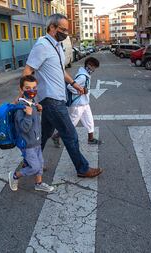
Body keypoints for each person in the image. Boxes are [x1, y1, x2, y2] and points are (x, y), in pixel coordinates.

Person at [22, 13, 103, 178]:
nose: (65, 33)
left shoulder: (57, 46)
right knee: (70, 135)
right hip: (51, 99)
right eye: (62, 29)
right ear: (51, 27)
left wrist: (74, 84)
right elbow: (28, 71)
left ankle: (30, 163)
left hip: (57, 98)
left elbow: (61, 71)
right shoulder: (42, 45)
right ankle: (82, 168)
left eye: (66, 30)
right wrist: (24, 97)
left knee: (43, 135)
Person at [8, 75, 54, 192]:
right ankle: (15, 176)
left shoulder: (31, 101)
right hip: (27, 144)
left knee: (40, 164)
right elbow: (24, 128)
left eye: (34, 87)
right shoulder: (20, 107)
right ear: (21, 89)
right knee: (35, 167)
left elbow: (34, 122)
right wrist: (28, 115)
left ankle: (38, 183)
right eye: (28, 88)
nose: (32, 90)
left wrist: (38, 110)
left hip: (36, 141)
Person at [52, 57, 102, 146]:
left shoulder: (85, 75)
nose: (94, 70)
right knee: (70, 124)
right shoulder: (82, 76)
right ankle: (56, 136)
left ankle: (90, 139)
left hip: (84, 103)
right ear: (89, 65)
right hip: (78, 104)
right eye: (94, 67)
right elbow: (70, 87)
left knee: (89, 121)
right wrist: (82, 90)